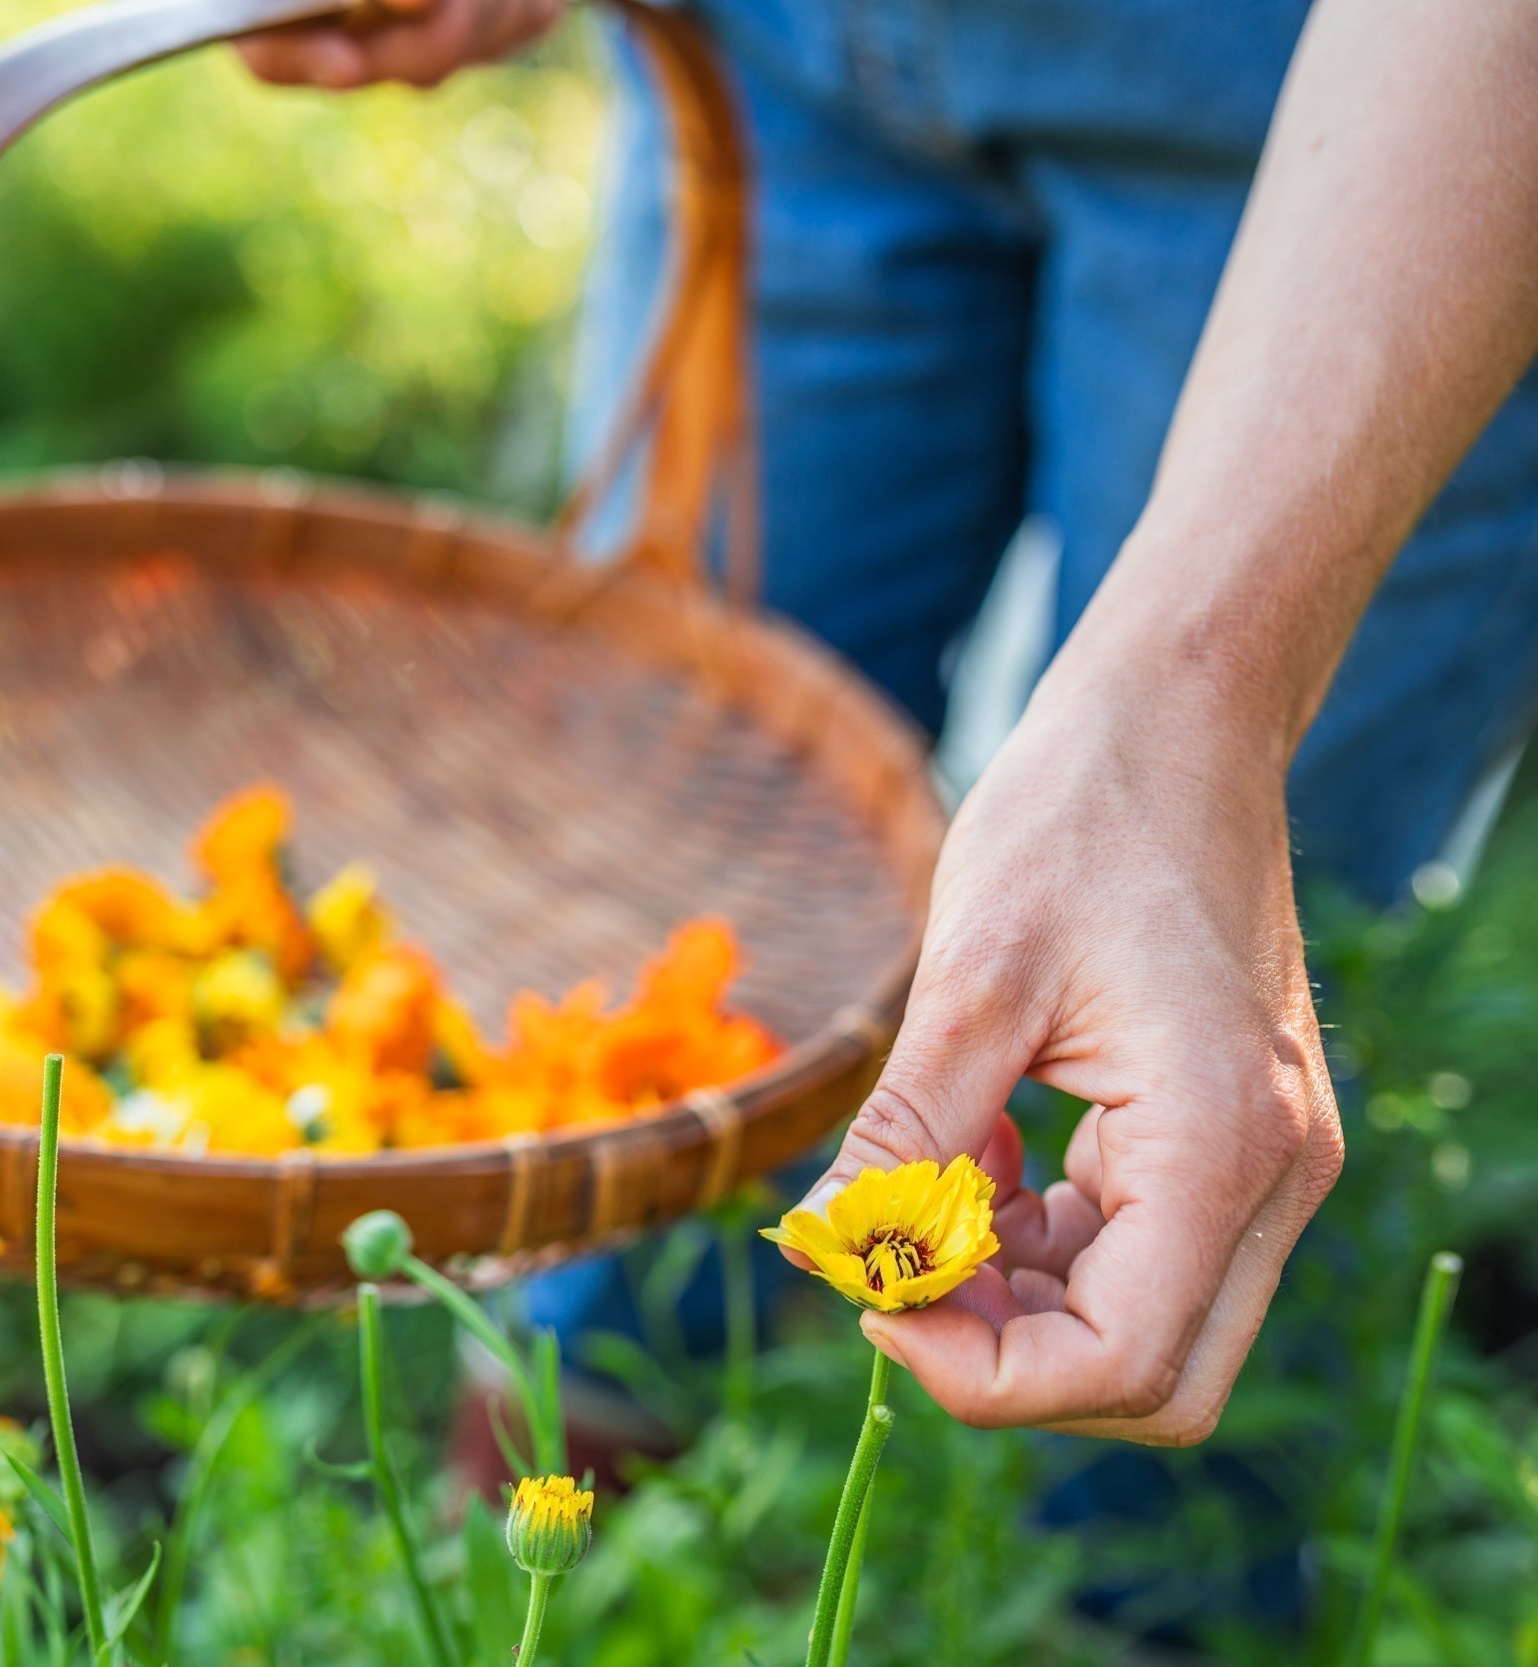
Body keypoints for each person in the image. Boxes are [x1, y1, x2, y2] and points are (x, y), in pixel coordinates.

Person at [240, 0, 1538, 1446]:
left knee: (1212, 989)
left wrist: (1200, 696)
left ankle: (1141, 1593)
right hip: (768, 50)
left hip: (1383, 98)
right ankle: (574, 1488)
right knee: (675, 842)